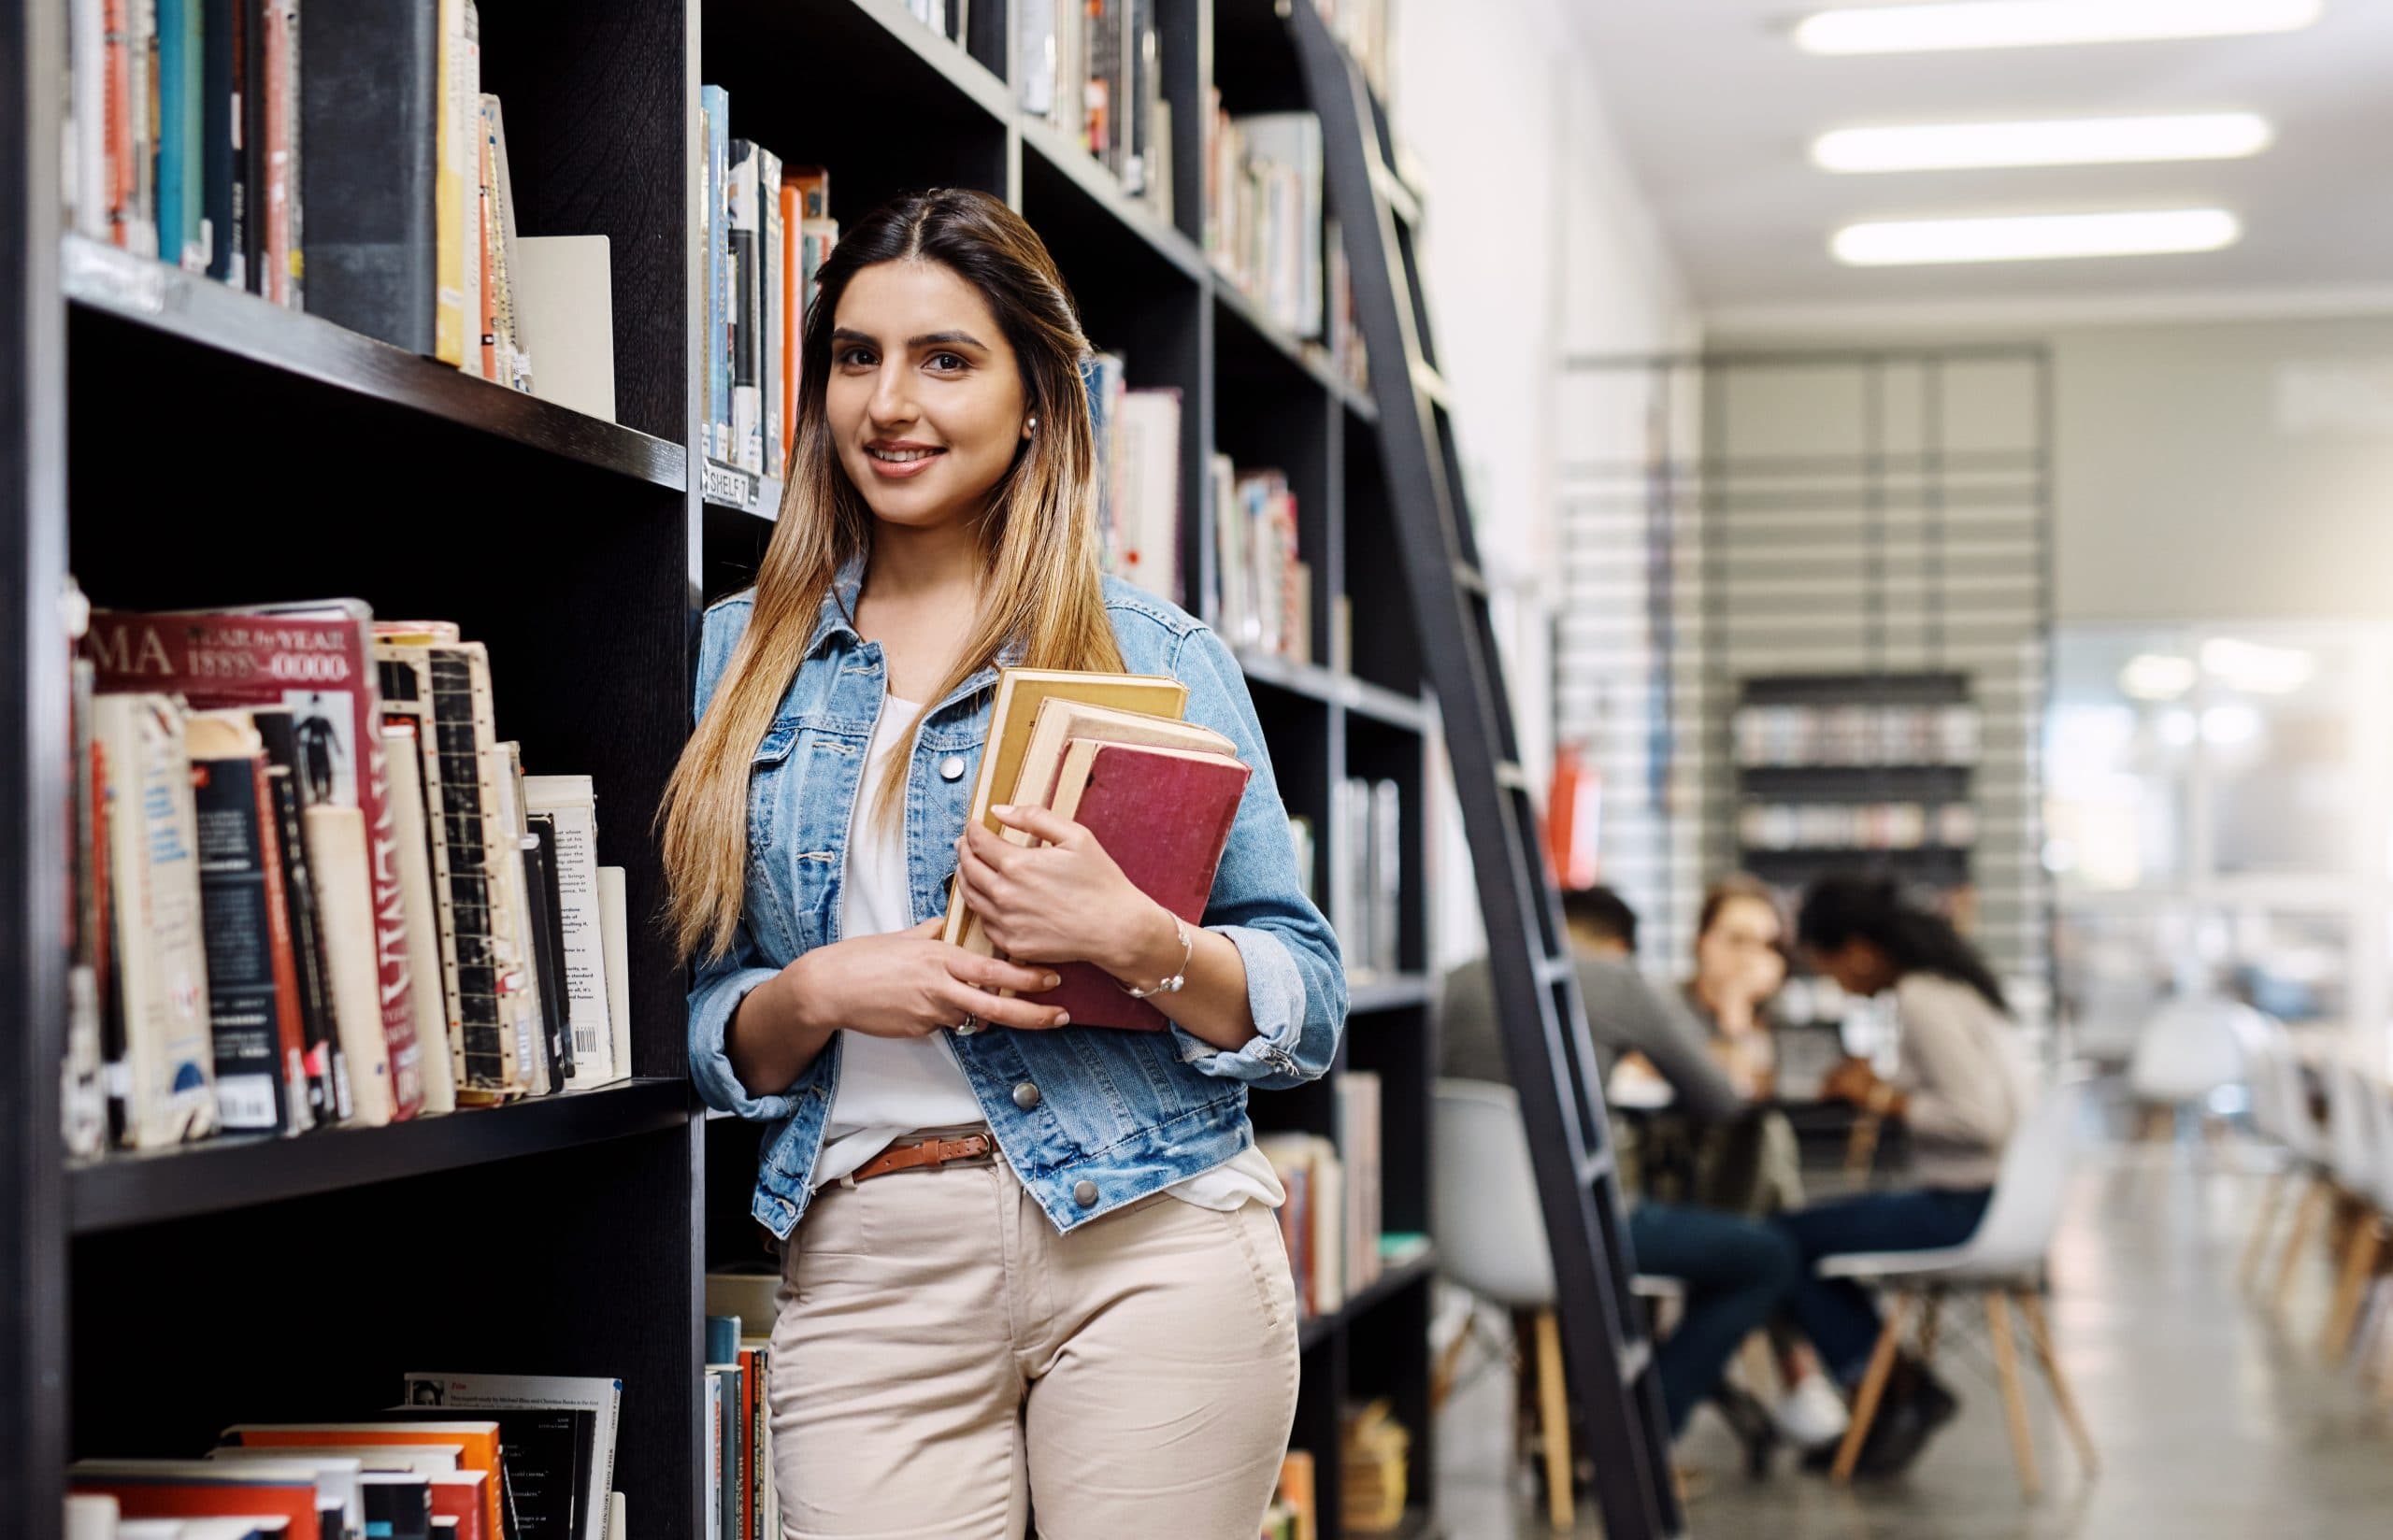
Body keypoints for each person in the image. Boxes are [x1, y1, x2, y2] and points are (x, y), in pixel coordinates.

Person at [665, 189, 1344, 1540]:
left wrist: (1139, 937)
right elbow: (698, 1016)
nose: (889, 403)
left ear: (1039, 396)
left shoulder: (1157, 652)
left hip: (1149, 1235)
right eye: (856, 357)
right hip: (871, 1258)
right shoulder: (736, 654)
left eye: (946, 360)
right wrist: (820, 991)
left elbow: (1306, 1000)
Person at [1440, 887, 1801, 1466]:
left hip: (1459, 1244)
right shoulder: (1614, 981)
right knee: (1768, 1256)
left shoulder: (1453, 982)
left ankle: (1578, 1425)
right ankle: (1639, 1432)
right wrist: (1735, 1015)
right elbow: (1720, 1101)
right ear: (1616, 945)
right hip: (1580, 1237)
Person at [1775, 873, 2030, 1477]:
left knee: (1778, 1240)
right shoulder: (1953, 986)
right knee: (1801, 1233)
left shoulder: (1921, 999)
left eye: (1828, 966)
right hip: (2000, 1201)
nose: (1834, 983)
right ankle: (1897, 1389)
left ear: (1859, 950)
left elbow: (1978, 1119)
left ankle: (1894, 1391)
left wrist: (1885, 1099)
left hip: (1967, 1205)